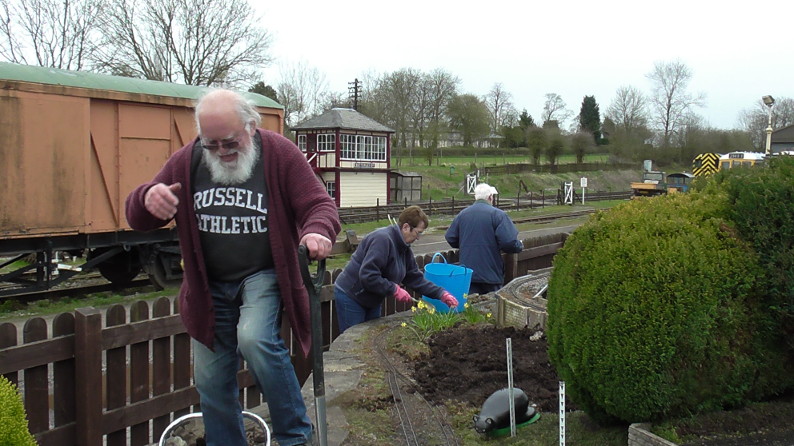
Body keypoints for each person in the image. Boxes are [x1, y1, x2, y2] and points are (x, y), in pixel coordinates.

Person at [125, 88, 340, 446]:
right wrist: (148, 198)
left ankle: (294, 435)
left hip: (262, 275)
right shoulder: (188, 161)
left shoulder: (279, 154)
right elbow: (137, 216)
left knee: (254, 338)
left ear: (251, 127)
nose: (221, 152)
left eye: (229, 142)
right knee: (210, 377)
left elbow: (319, 205)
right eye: (211, 144)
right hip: (208, 286)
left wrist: (317, 233)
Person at [333, 205, 459, 333]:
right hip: (352, 295)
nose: (418, 238)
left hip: (373, 298)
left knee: (370, 336)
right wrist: (393, 289)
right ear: (405, 227)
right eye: (418, 233)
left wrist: (440, 294)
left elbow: (414, 277)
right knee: (354, 340)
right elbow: (368, 276)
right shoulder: (382, 240)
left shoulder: (404, 248)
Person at [445, 183, 523, 295]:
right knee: (492, 306)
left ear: (475, 197)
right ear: (490, 197)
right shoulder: (498, 215)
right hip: (491, 273)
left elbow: (450, 237)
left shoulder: (463, 214)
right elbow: (509, 242)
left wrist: (466, 243)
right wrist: (519, 246)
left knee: (471, 307)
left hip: (468, 273)